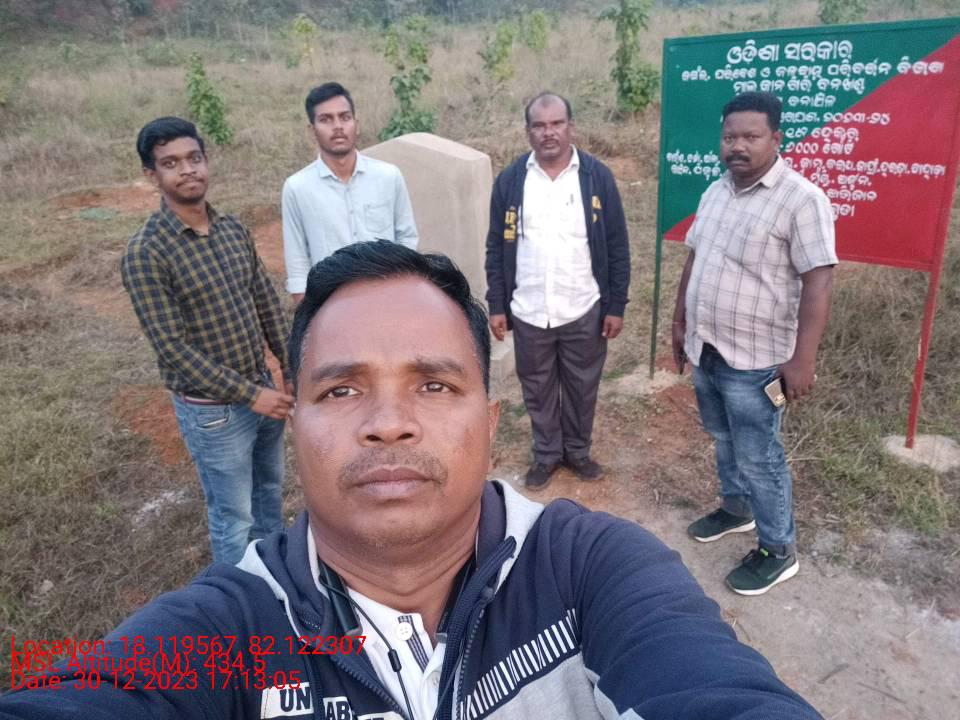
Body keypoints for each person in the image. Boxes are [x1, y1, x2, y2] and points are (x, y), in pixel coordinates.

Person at [1, 241, 823, 720]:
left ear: (490, 425)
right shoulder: (229, 633)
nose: (388, 422)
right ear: (296, 424)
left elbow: (713, 687)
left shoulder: (594, 571)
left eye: (433, 384)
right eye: (340, 390)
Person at [672, 91, 837, 596]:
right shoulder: (716, 191)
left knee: (760, 457)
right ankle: (736, 508)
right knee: (724, 439)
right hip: (708, 348)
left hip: (758, 361)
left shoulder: (801, 200)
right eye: (730, 137)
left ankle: (778, 549)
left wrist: (803, 359)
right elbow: (695, 258)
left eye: (751, 136)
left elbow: (819, 281)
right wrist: (679, 322)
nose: (737, 146)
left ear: (776, 138)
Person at [120, 117, 293, 565]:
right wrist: (252, 396)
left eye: (194, 158)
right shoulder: (146, 253)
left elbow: (265, 302)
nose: (187, 170)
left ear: (206, 161)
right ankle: (239, 596)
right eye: (171, 163)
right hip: (214, 412)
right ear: (152, 175)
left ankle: (275, 578)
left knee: (269, 494)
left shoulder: (232, 229)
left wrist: (290, 368)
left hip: (263, 388)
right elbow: (172, 348)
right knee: (234, 516)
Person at [485, 92, 630, 490]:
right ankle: (547, 454)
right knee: (537, 387)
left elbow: (617, 244)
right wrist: (497, 304)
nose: (548, 133)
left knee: (582, 386)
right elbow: (496, 245)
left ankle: (578, 452)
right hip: (529, 309)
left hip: (582, 305)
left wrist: (615, 305)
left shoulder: (596, 177)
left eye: (556, 124)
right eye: (539, 125)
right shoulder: (511, 181)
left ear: (571, 127)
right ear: (528, 131)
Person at [282, 81, 419, 305]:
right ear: (311, 130)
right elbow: (297, 263)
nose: (338, 126)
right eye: (326, 119)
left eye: (345, 117)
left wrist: (401, 294)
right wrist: (309, 315)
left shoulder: (388, 176)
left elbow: (407, 239)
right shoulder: (297, 188)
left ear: (356, 124)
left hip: (388, 299)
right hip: (332, 306)